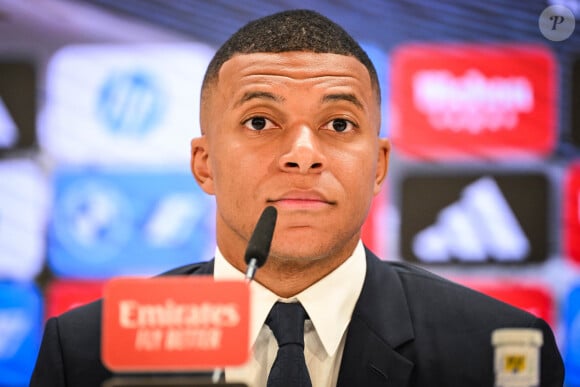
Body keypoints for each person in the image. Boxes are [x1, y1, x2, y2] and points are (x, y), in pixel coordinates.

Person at [30, 9, 564, 387]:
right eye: (261, 121)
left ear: (377, 165)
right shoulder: (86, 352)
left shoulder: (500, 345)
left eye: (338, 122)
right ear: (204, 164)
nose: (303, 155)